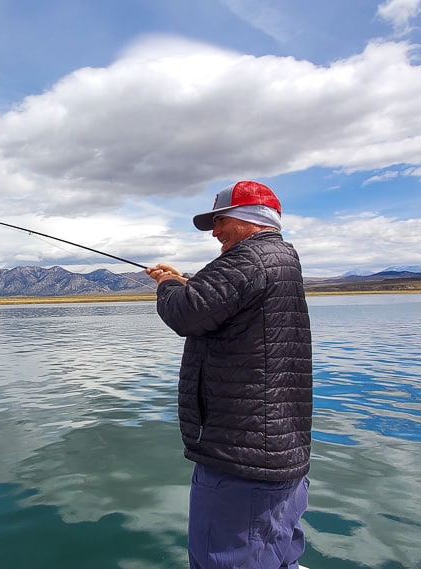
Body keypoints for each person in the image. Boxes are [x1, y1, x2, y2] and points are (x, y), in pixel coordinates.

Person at [146, 180, 313, 569]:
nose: (216, 232)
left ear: (250, 218)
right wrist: (187, 283)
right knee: (277, 555)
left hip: (241, 461)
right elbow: (224, 303)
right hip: (276, 453)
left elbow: (186, 313)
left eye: (220, 221)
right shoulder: (278, 258)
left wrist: (169, 284)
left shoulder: (248, 259)